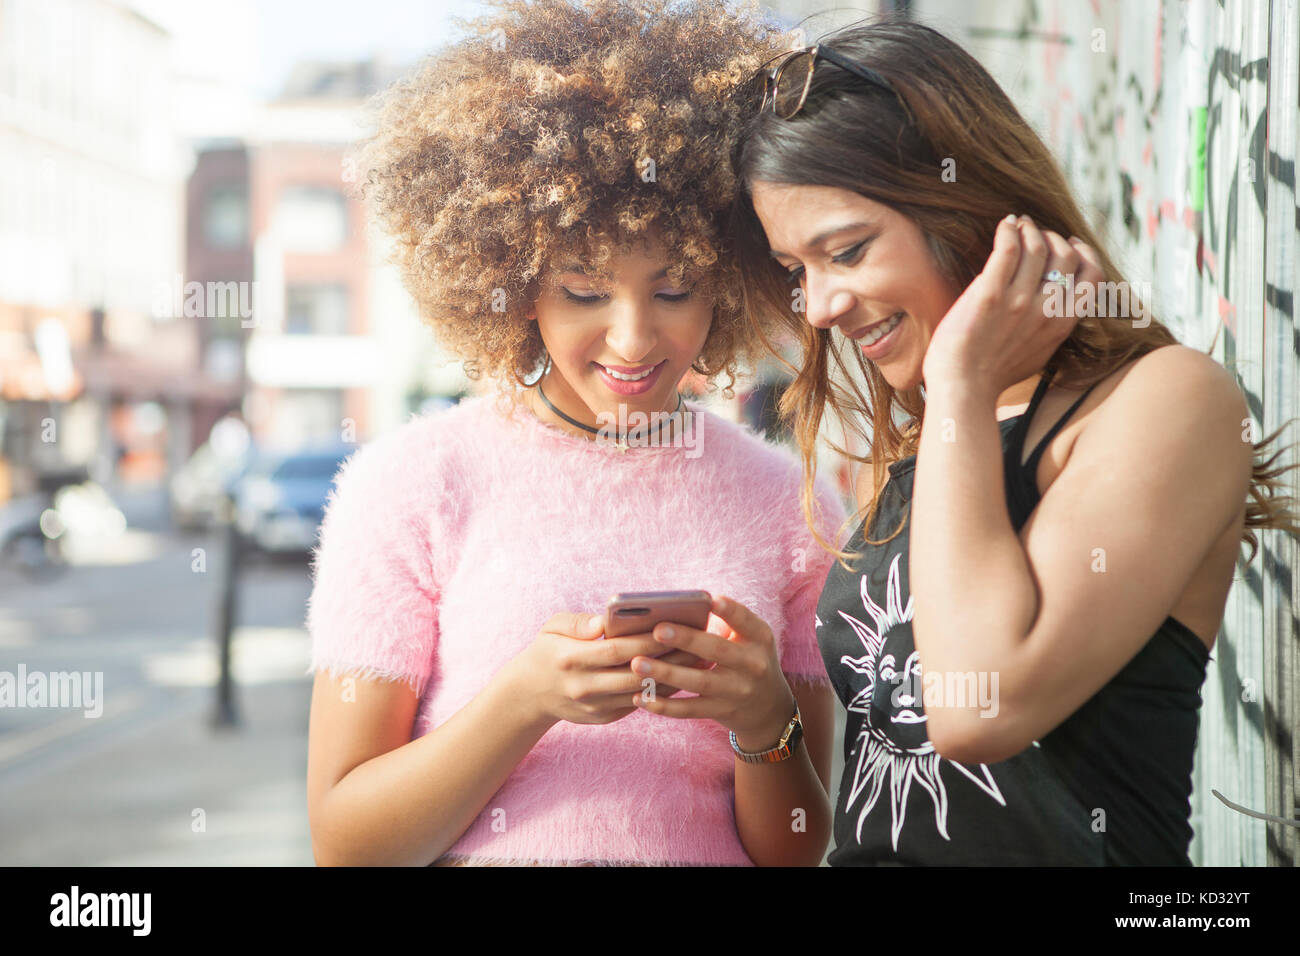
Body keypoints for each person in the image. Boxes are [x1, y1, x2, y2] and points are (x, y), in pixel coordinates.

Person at [728, 17, 1300, 864]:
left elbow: (975, 709)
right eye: (796, 271)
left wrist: (961, 384)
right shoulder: (936, 436)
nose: (818, 307)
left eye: (845, 251)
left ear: (965, 201)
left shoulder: (1166, 401)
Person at [304, 0, 846, 867]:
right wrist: (521, 701)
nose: (633, 340)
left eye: (673, 291)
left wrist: (763, 721)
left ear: (730, 283)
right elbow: (347, 843)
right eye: (585, 291)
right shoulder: (409, 486)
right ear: (517, 286)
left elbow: (794, 851)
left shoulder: (791, 505)